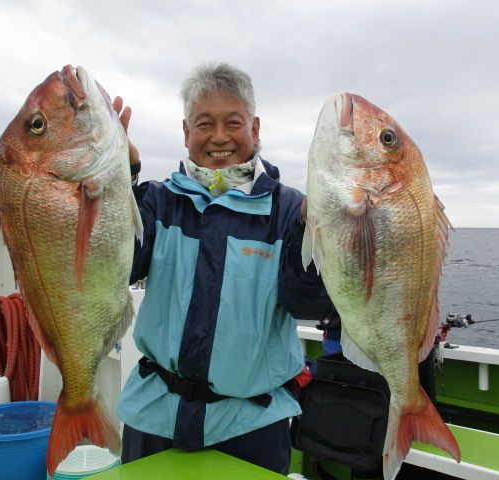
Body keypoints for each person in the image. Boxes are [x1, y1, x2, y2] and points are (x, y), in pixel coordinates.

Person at [114, 62, 333, 474]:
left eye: (233, 122)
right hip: (154, 418)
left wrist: (318, 228)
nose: (218, 137)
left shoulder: (291, 211)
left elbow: (306, 303)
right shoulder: (158, 202)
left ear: (255, 129)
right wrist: (116, 173)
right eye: (204, 124)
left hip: (252, 427)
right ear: (186, 132)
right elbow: (117, 266)